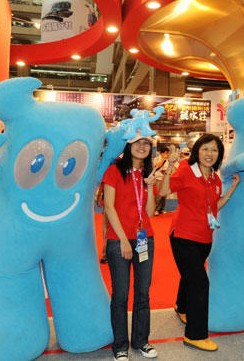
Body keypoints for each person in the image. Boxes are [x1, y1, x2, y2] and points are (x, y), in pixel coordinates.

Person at [160, 134, 240, 352]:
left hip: (205, 237)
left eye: (214, 150)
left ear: (219, 155)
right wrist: (169, 167)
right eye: (205, 149)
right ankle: (195, 335)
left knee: (190, 276)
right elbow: (163, 191)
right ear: (197, 151)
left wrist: (232, 189)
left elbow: (215, 206)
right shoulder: (186, 170)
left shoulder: (214, 178)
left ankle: (182, 307)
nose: (209, 154)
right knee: (200, 283)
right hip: (183, 236)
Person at [102, 134, 158, 361]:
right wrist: (124, 240)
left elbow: (150, 212)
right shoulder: (114, 170)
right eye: (138, 142)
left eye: (146, 143)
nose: (142, 146)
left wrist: (150, 186)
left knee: (143, 293)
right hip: (119, 241)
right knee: (121, 294)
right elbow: (108, 207)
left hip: (145, 239)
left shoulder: (146, 173)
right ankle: (120, 345)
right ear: (128, 145)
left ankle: (141, 341)